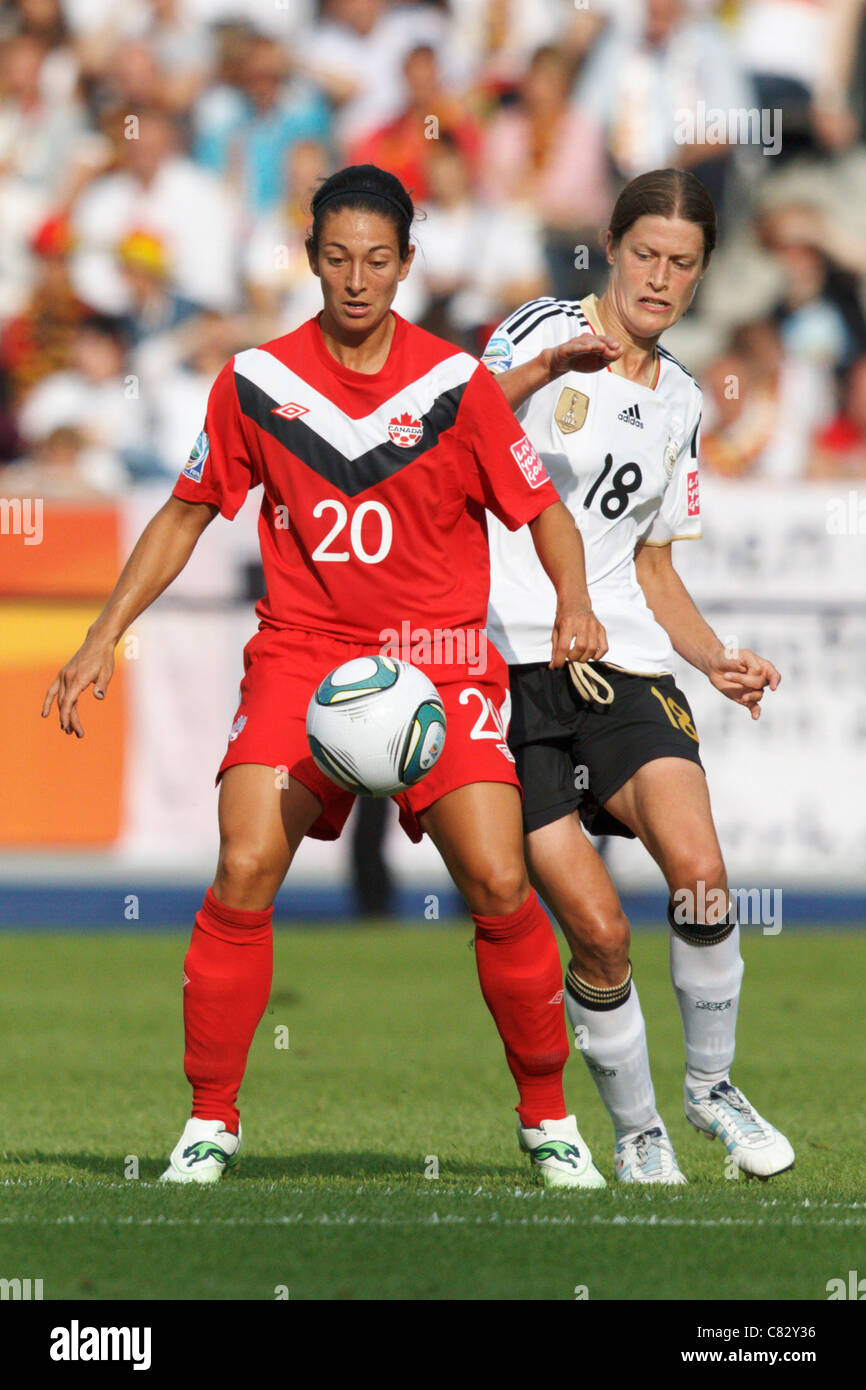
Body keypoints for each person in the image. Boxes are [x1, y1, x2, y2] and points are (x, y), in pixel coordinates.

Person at [42, 164, 610, 1189]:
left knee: (495, 879)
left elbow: (543, 513)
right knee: (245, 866)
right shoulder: (257, 382)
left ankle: (546, 1115)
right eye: (338, 258)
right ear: (311, 259)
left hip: (438, 663)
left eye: (378, 260)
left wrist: (573, 602)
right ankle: (210, 1119)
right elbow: (183, 513)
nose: (357, 279)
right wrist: (100, 634)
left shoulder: (457, 387)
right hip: (304, 659)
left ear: (406, 265)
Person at [481, 168, 795, 1183]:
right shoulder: (534, 329)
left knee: (701, 878)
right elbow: (448, 430)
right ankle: (635, 1128)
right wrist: (542, 373)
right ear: (610, 248)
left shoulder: (683, 400)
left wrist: (717, 660)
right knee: (600, 932)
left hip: (624, 661)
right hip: (511, 663)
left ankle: (709, 1089)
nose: (659, 278)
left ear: (701, 276)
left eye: (682, 263)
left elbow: (654, 566)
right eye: (644, 254)